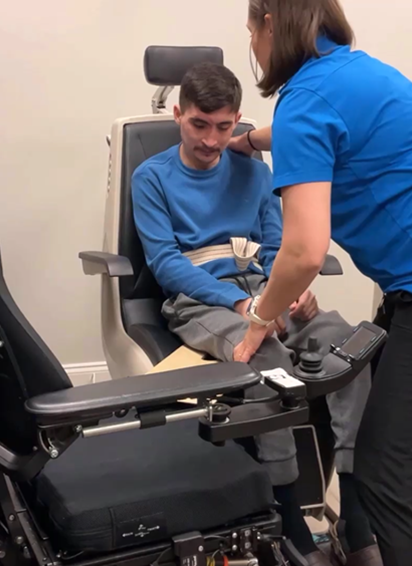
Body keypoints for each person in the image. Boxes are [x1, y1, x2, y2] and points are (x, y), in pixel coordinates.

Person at [229, 2, 412, 566]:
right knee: (373, 440)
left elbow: (302, 252)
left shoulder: (306, 101)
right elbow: (322, 128)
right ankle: (360, 540)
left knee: (391, 474)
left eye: (251, 31)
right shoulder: (357, 71)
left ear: (270, 22)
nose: (254, 45)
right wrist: (250, 140)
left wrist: (259, 319)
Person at [132, 62, 372, 566]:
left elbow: (273, 247)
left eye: (223, 127)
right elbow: (166, 265)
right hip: (201, 303)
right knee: (268, 359)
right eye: (200, 124)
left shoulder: (255, 171)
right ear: (179, 114)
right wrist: (245, 306)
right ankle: (286, 516)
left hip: (265, 296)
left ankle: (353, 508)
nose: (211, 140)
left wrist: (289, 291)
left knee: (351, 346)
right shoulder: (151, 178)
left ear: (238, 120)